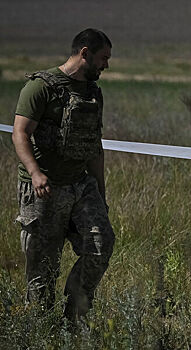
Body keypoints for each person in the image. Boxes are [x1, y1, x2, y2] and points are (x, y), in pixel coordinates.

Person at [11, 28, 115, 324]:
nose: (106, 65)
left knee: (101, 243)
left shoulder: (94, 93)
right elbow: (20, 133)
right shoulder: (40, 87)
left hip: (81, 184)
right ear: (84, 53)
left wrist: (101, 195)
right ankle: (42, 327)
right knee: (43, 266)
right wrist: (35, 173)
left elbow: (95, 146)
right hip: (44, 188)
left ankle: (74, 316)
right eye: (103, 58)